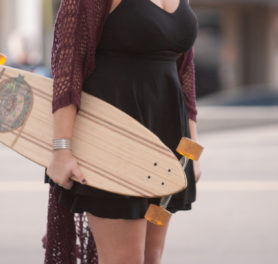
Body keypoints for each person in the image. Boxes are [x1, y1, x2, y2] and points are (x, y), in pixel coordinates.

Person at [43, 0, 202, 263]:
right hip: (112, 138)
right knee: (125, 259)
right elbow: (67, 67)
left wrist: (192, 150)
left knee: (151, 257)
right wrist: (62, 149)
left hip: (166, 140)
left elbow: (184, 71)